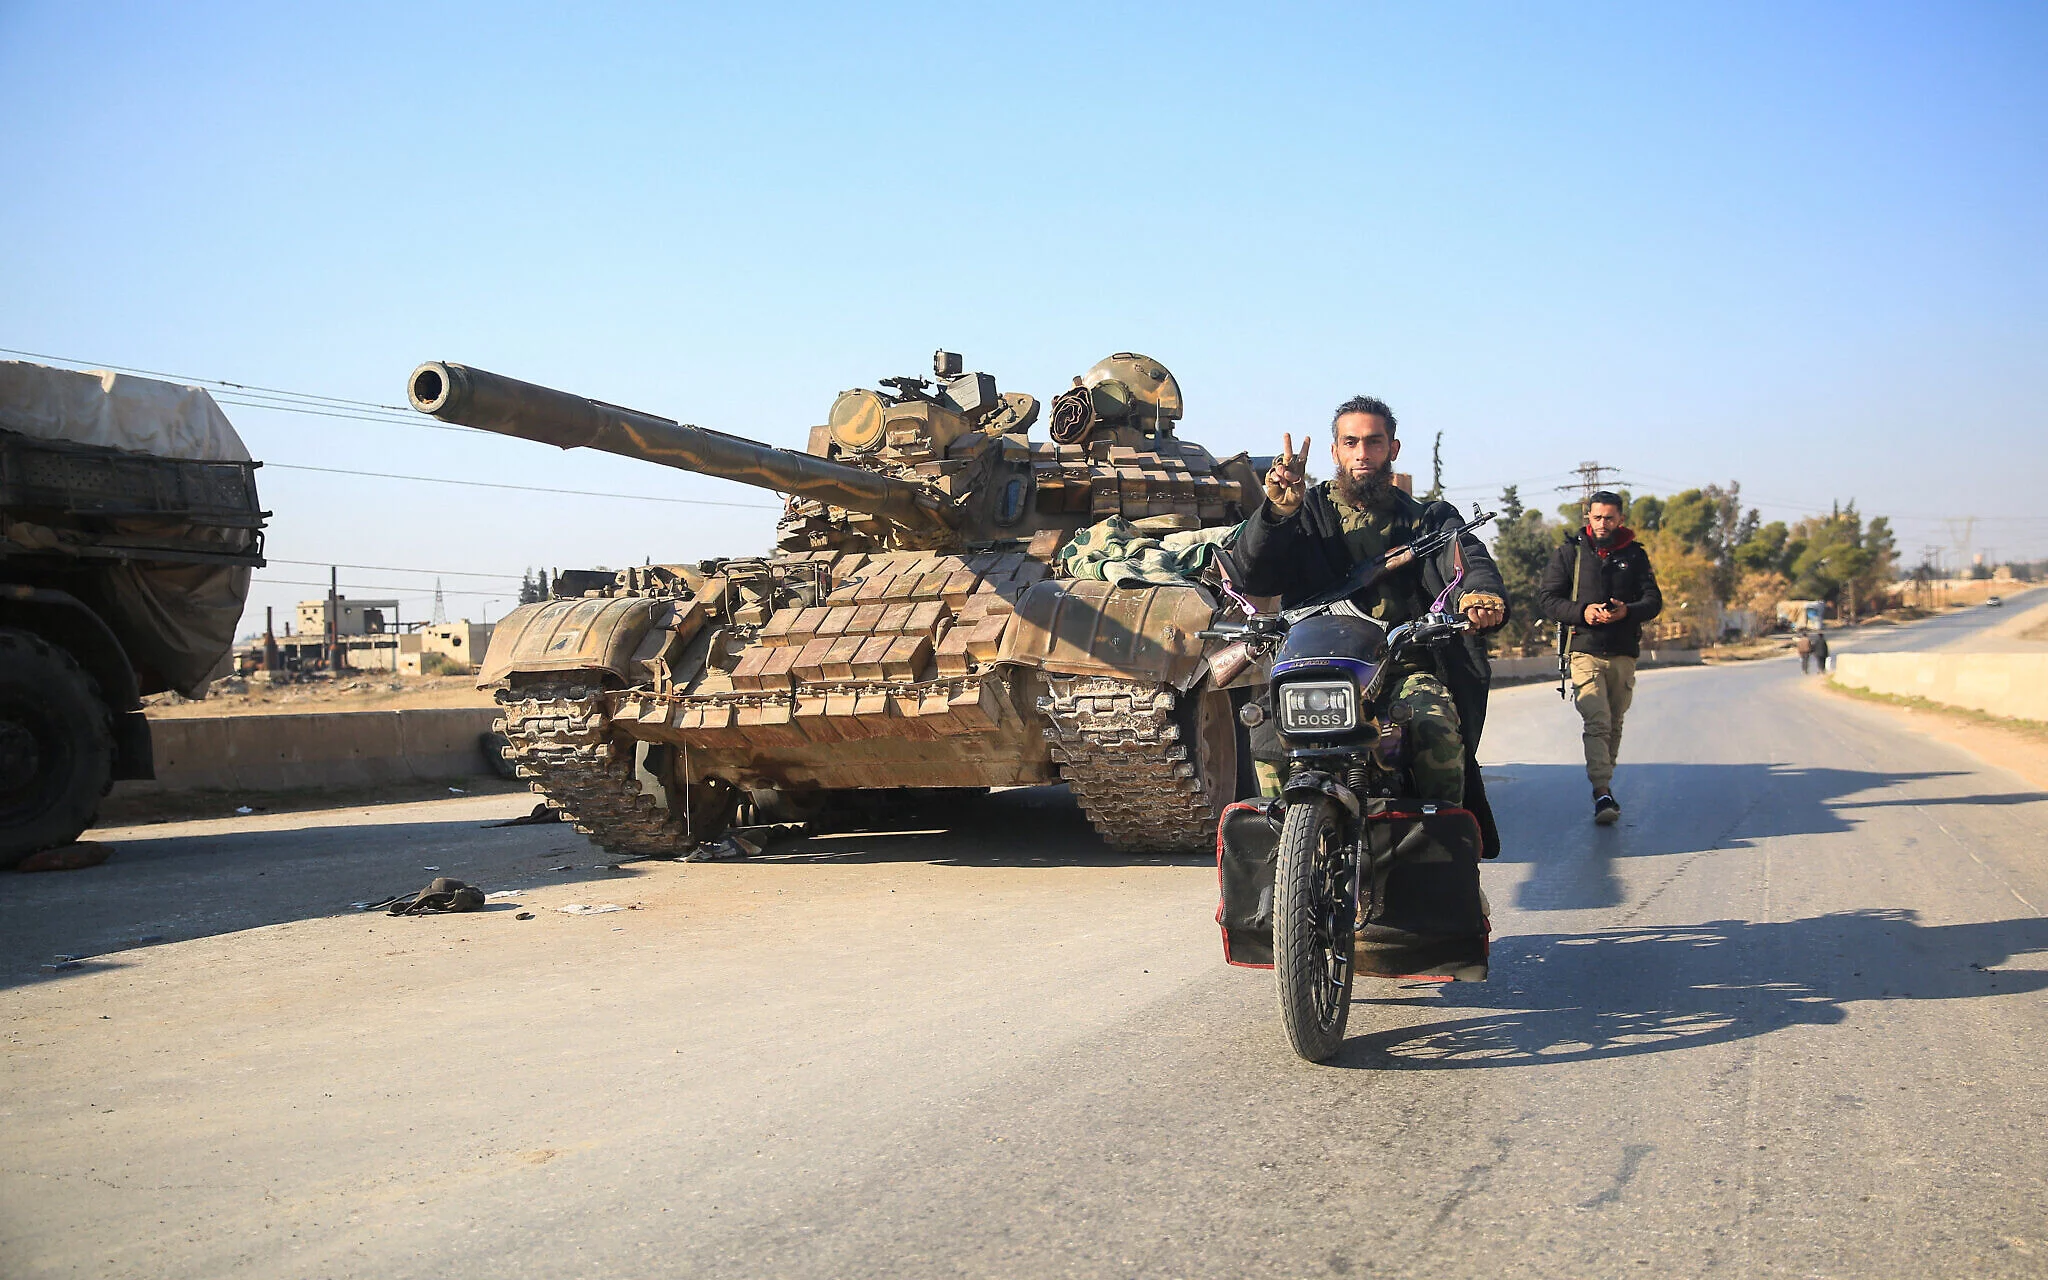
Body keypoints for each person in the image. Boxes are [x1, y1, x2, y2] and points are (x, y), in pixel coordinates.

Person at [1234, 395, 1509, 854]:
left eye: (1374, 442)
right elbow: (1252, 573)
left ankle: (1443, 860)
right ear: (1334, 451)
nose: (1363, 453)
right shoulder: (1303, 515)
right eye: (1351, 442)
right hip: (1317, 667)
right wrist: (1276, 514)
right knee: (1266, 734)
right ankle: (1279, 865)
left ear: (1393, 449)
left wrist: (1480, 595)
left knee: (1435, 722)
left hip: (1402, 667)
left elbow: (1466, 559)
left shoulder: (1426, 520)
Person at [1536, 491, 1662, 824]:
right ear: (1587, 517)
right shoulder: (1570, 554)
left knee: (1614, 722)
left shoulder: (1634, 556)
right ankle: (1602, 791)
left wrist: (1626, 611)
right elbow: (1548, 599)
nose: (1602, 524)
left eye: (1609, 518)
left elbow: (1653, 601)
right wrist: (1583, 612)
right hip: (1584, 649)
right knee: (1598, 722)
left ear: (1620, 519)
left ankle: (1605, 780)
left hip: (1622, 652)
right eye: (1597, 517)